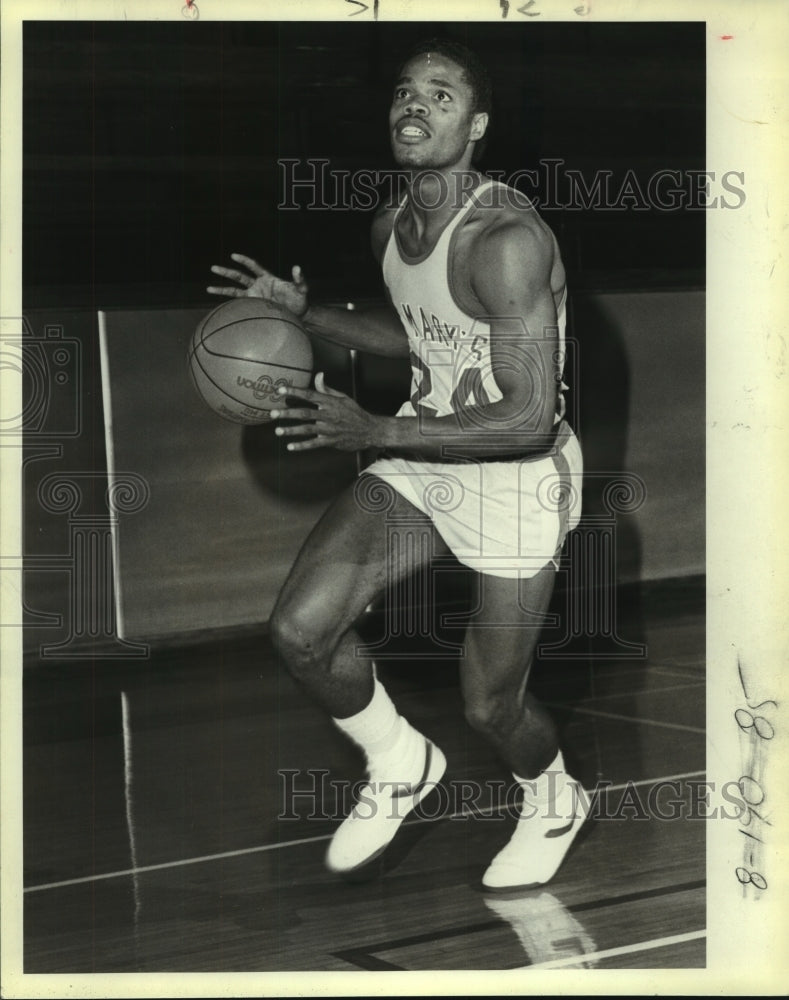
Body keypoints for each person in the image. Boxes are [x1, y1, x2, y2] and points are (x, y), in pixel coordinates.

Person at [207, 38, 586, 890]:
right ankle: (398, 762)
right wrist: (313, 319)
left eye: (442, 96)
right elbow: (419, 338)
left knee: (490, 705)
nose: (416, 105)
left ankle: (554, 795)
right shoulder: (388, 223)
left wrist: (374, 431)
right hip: (421, 451)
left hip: (515, 476)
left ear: (477, 124)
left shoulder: (505, 238)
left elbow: (525, 418)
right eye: (405, 92)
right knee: (301, 631)